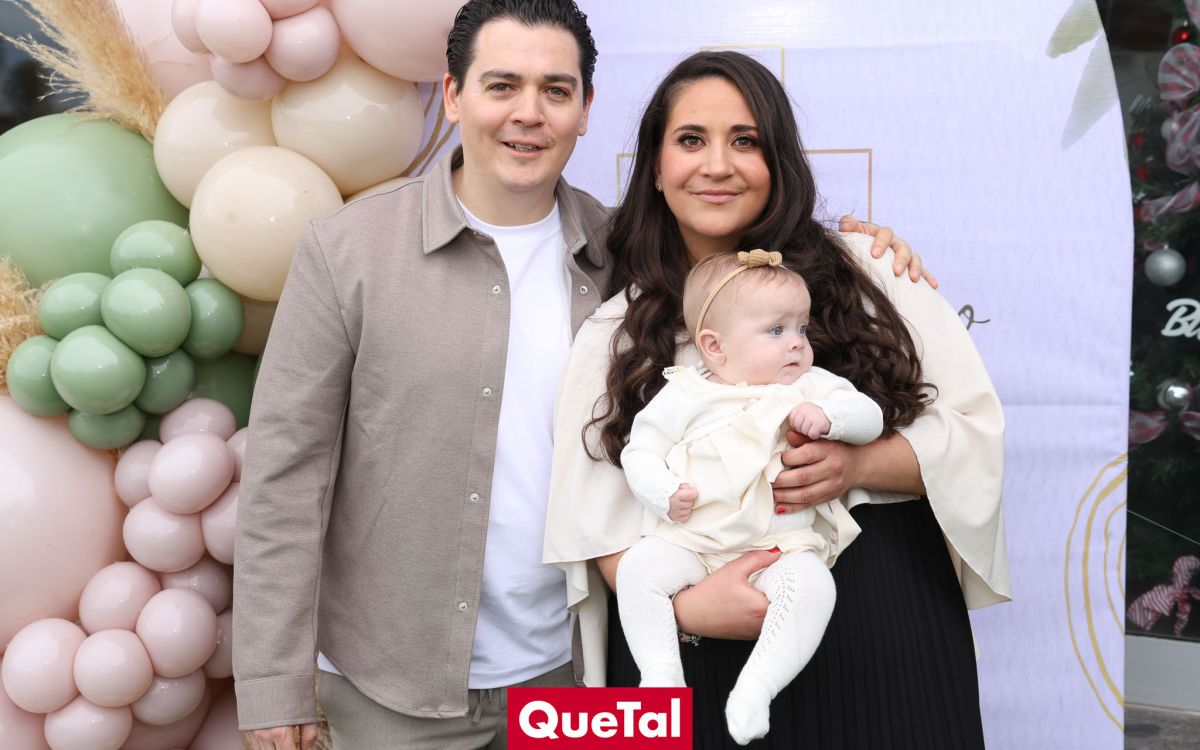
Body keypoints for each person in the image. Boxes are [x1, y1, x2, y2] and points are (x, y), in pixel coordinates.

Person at [233, 1, 920, 746]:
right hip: (390, 685)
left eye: (555, 90)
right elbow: (285, 478)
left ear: (586, 109)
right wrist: (273, 688)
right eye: (502, 85)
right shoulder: (348, 253)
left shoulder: (638, 261)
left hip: (576, 672)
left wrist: (862, 247)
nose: (528, 113)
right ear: (454, 95)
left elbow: (745, 292)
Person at [544, 50, 1009, 749]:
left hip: (879, 631)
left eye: (746, 141)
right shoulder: (617, 332)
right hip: (693, 654)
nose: (718, 165)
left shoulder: (872, 275)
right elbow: (592, 520)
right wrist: (689, 609)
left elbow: (974, 436)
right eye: (691, 140)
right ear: (656, 167)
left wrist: (857, 465)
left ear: (779, 161)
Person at [618, 250, 889, 744]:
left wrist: (831, 419)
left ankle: (758, 686)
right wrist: (662, 492)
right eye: (776, 330)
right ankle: (660, 675)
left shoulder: (811, 386)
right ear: (714, 346)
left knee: (812, 587)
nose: (797, 343)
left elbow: (870, 416)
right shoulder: (686, 392)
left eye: (802, 327)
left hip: (778, 548)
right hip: (691, 543)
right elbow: (640, 450)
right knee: (638, 571)